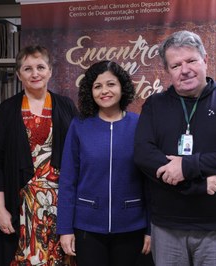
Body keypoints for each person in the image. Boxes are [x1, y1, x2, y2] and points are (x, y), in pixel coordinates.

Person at [134, 30, 216, 265]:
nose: (185, 69)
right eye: (176, 65)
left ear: (205, 60)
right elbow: (143, 154)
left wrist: (187, 165)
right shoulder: (154, 105)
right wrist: (198, 184)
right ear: (167, 71)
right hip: (167, 227)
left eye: (191, 60)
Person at [0, 45, 78, 266]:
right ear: (19, 74)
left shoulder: (66, 107)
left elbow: (79, 158)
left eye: (40, 67)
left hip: (60, 207)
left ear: (50, 71)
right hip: (19, 206)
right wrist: (0, 209)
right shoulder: (6, 111)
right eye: (27, 68)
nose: (35, 73)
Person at [57, 60, 151, 266]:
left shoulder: (139, 125)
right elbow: (67, 181)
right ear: (90, 91)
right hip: (87, 227)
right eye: (97, 86)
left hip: (132, 225)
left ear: (122, 87)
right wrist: (65, 229)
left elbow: (149, 181)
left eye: (111, 84)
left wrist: (150, 229)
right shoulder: (79, 126)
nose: (104, 91)